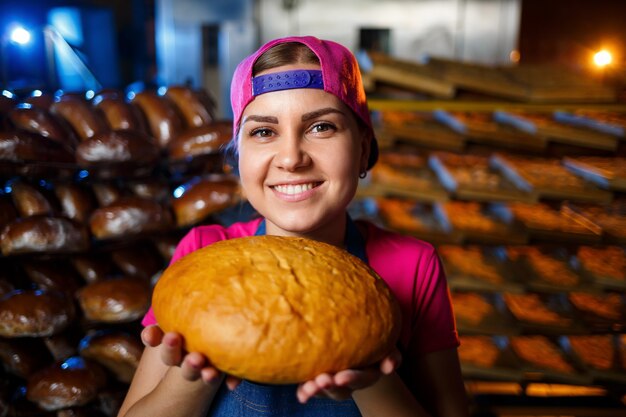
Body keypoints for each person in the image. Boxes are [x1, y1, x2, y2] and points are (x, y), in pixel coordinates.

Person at [117, 35, 468, 417]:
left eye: (321, 127)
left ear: (363, 149)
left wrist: (371, 376)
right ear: (239, 158)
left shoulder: (412, 265)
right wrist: (194, 373)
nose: (291, 158)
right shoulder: (201, 255)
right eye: (264, 132)